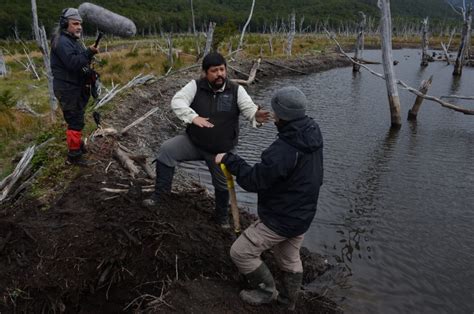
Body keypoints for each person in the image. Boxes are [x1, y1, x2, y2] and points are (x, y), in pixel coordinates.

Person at [214, 86, 324, 310]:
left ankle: (266, 291)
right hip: (303, 214)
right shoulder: (311, 131)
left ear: (280, 115)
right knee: (288, 256)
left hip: (281, 218)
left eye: (275, 112)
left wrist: (231, 160)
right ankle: (288, 302)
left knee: (240, 253)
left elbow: (255, 181)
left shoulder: (284, 149)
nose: (272, 116)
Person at [143, 52, 271, 228]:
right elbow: (177, 101)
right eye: (214, 71)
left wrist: (256, 115)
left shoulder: (236, 90)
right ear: (205, 72)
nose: (219, 74)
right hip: (194, 142)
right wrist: (192, 117)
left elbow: (249, 108)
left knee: (222, 184)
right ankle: (161, 196)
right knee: (167, 150)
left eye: (222, 70)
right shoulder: (195, 86)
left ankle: (221, 218)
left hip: (220, 150)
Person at [51, 8, 99, 165]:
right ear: (65, 24)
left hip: (74, 88)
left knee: (76, 117)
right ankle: (74, 156)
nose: (79, 27)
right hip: (67, 89)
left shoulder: (71, 41)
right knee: (75, 121)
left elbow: (80, 62)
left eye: (80, 24)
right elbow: (73, 63)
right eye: (75, 23)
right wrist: (89, 52)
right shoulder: (62, 42)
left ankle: (77, 145)